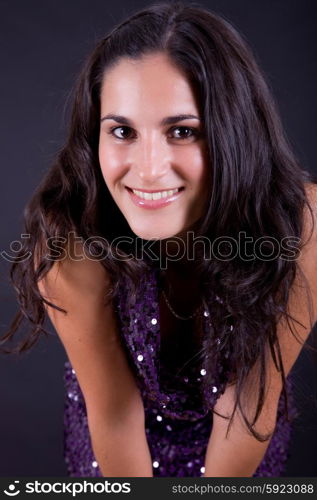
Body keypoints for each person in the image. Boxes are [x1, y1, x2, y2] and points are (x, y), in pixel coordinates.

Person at [2, 1, 317, 478]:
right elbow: (113, 415)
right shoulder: (69, 243)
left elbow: (251, 402)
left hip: (244, 450)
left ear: (234, 134)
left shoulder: (302, 225)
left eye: (183, 131)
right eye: (123, 131)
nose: (148, 170)